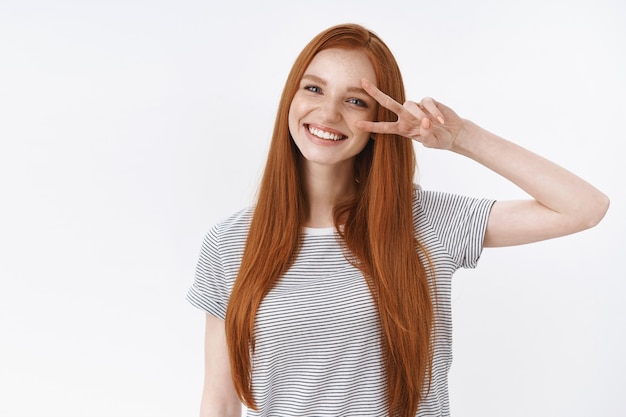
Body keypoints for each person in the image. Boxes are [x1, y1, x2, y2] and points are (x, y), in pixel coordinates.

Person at [186, 23, 609, 417]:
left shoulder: (426, 221)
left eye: (355, 101)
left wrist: (462, 138)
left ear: (380, 121)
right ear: (290, 98)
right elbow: (220, 399)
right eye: (314, 88)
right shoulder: (230, 242)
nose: (329, 113)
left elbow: (583, 208)